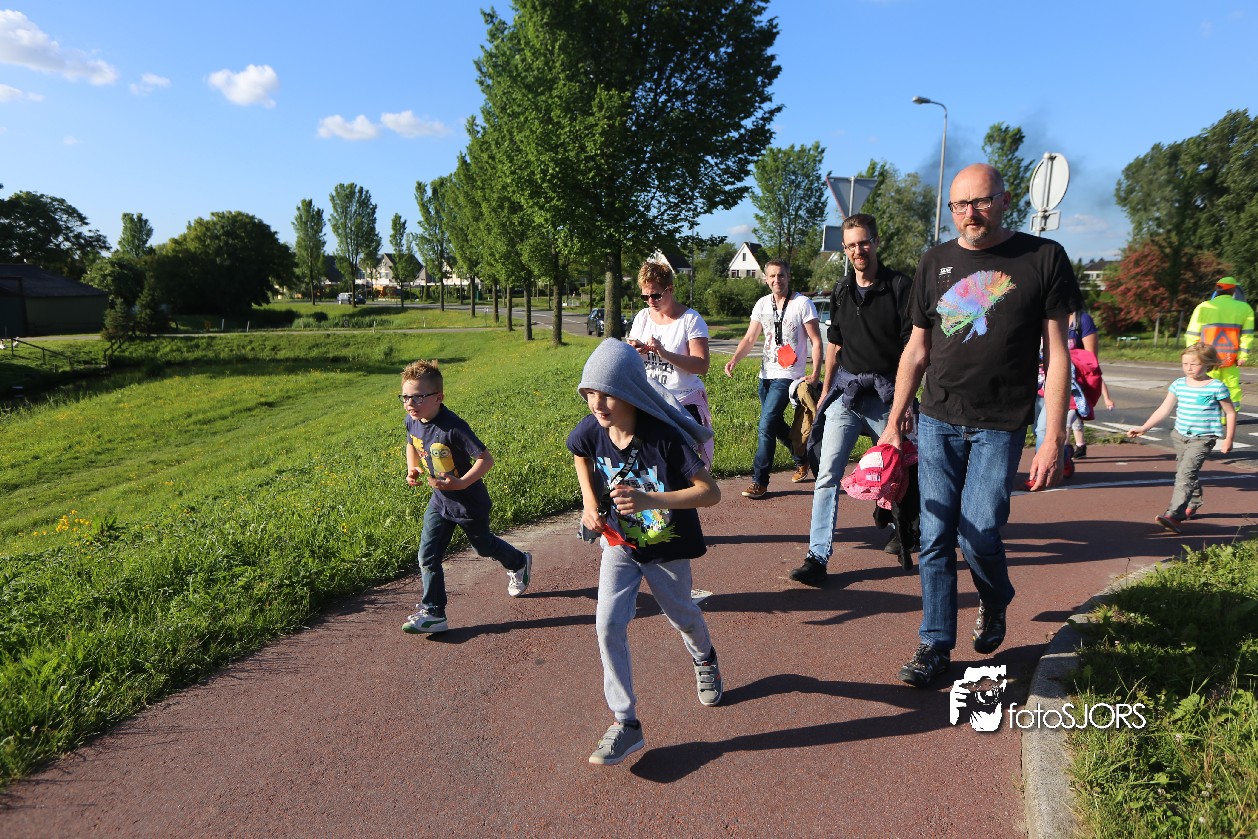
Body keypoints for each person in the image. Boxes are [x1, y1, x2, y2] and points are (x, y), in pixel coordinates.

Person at [878, 163, 1082, 688]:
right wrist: (895, 420)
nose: (970, 213)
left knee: (980, 532)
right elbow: (917, 349)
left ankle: (995, 597)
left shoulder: (1043, 258)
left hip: (1001, 423)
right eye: (960, 205)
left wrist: (1053, 436)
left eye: (981, 201)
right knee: (934, 535)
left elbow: (1058, 355)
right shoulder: (934, 261)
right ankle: (934, 643)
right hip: (938, 418)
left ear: (1005, 200)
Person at [568, 339, 723, 766]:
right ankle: (626, 722)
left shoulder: (663, 438)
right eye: (590, 393)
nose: (597, 404)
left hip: (667, 548)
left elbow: (710, 493)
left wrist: (651, 500)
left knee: (682, 616)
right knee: (607, 625)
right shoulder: (592, 429)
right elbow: (579, 454)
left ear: (631, 391)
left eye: (607, 394)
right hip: (619, 545)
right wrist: (590, 504)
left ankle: (705, 657)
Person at [789, 214, 914, 587]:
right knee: (827, 474)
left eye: (864, 242)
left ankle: (903, 529)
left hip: (887, 396)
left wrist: (906, 404)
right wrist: (826, 394)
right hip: (847, 395)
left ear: (875, 242)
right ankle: (817, 557)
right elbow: (835, 346)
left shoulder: (899, 287)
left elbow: (913, 350)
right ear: (844, 249)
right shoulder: (842, 290)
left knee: (901, 470)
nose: (858, 250)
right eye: (851, 245)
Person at [398, 359, 532, 634]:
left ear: (439, 397)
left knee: (483, 547)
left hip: (469, 503)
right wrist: (412, 467)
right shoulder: (413, 420)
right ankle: (434, 613)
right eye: (405, 397)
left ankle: (519, 562)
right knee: (427, 556)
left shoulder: (453, 427)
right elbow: (411, 443)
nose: (410, 403)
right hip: (439, 502)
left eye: (418, 397)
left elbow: (486, 459)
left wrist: (461, 483)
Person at [723, 259, 822, 498]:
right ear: (766, 279)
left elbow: (816, 341)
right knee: (774, 424)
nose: (777, 280)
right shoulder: (762, 304)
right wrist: (735, 359)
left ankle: (760, 481)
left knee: (765, 425)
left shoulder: (802, 304)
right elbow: (750, 338)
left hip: (788, 376)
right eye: (772, 276)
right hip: (765, 374)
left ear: (788, 277)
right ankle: (801, 457)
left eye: (781, 275)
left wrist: (816, 374)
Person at [1126, 343, 1236, 533]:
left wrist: (1228, 439)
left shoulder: (1216, 386)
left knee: (1185, 475)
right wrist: (1144, 427)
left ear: (1208, 364)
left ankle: (1174, 516)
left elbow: (1230, 412)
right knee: (1186, 473)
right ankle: (1193, 502)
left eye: (1194, 364)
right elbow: (1164, 409)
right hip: (1179, 436)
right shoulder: (1178, 384)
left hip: (1203, 439)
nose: (1188, 368)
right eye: (1185, 363)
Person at [627, 260, 714, 468]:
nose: (650, 301)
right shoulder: (642, 317)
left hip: (682, 402)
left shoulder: (690, 320)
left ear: (670, 289)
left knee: (680, 467)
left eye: (655, 295)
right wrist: (634, 350)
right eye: (645, 296)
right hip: (650, 401)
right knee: (649, 465)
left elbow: (702, 365)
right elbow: (630, 357)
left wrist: (664, 353)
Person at [1184, 276, 1253, 408]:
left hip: (1207, 357)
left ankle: (1207, 413)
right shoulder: (1245, 308)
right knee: (1231, 387)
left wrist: (1193, 355)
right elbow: (1247, 335)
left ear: (1217, 290)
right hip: (1231, 358)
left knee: (1206, 385)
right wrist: (1243, 356)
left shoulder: (1203, 307)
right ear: (1233, 290)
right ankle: (1229, 415)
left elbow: (1192, 333)